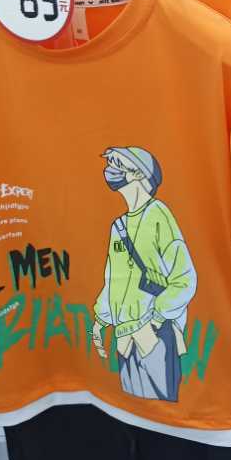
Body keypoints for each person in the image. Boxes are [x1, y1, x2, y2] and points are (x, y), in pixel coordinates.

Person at [92, 147, 197, 402]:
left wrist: (156, 320)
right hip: (124, 340)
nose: (110, 169)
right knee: (131, 408)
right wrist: (100, 320)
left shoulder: (158, 214)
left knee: (162, 410)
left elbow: (184, 278)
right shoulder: (118, 226)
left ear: (139, 173)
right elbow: (112, 280)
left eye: (117, 163)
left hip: (153, 338)